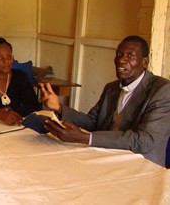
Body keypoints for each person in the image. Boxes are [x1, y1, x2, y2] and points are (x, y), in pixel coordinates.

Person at [41, 35, 170, 167]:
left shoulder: (162, 90)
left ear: (145, 62)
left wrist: (85, 138)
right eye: (119, 54)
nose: (121, 60)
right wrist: (59, 107)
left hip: (140, 164)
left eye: (130, 56)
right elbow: (93, 122)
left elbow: (145, 141)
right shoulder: (111, 88)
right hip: (105, 156)